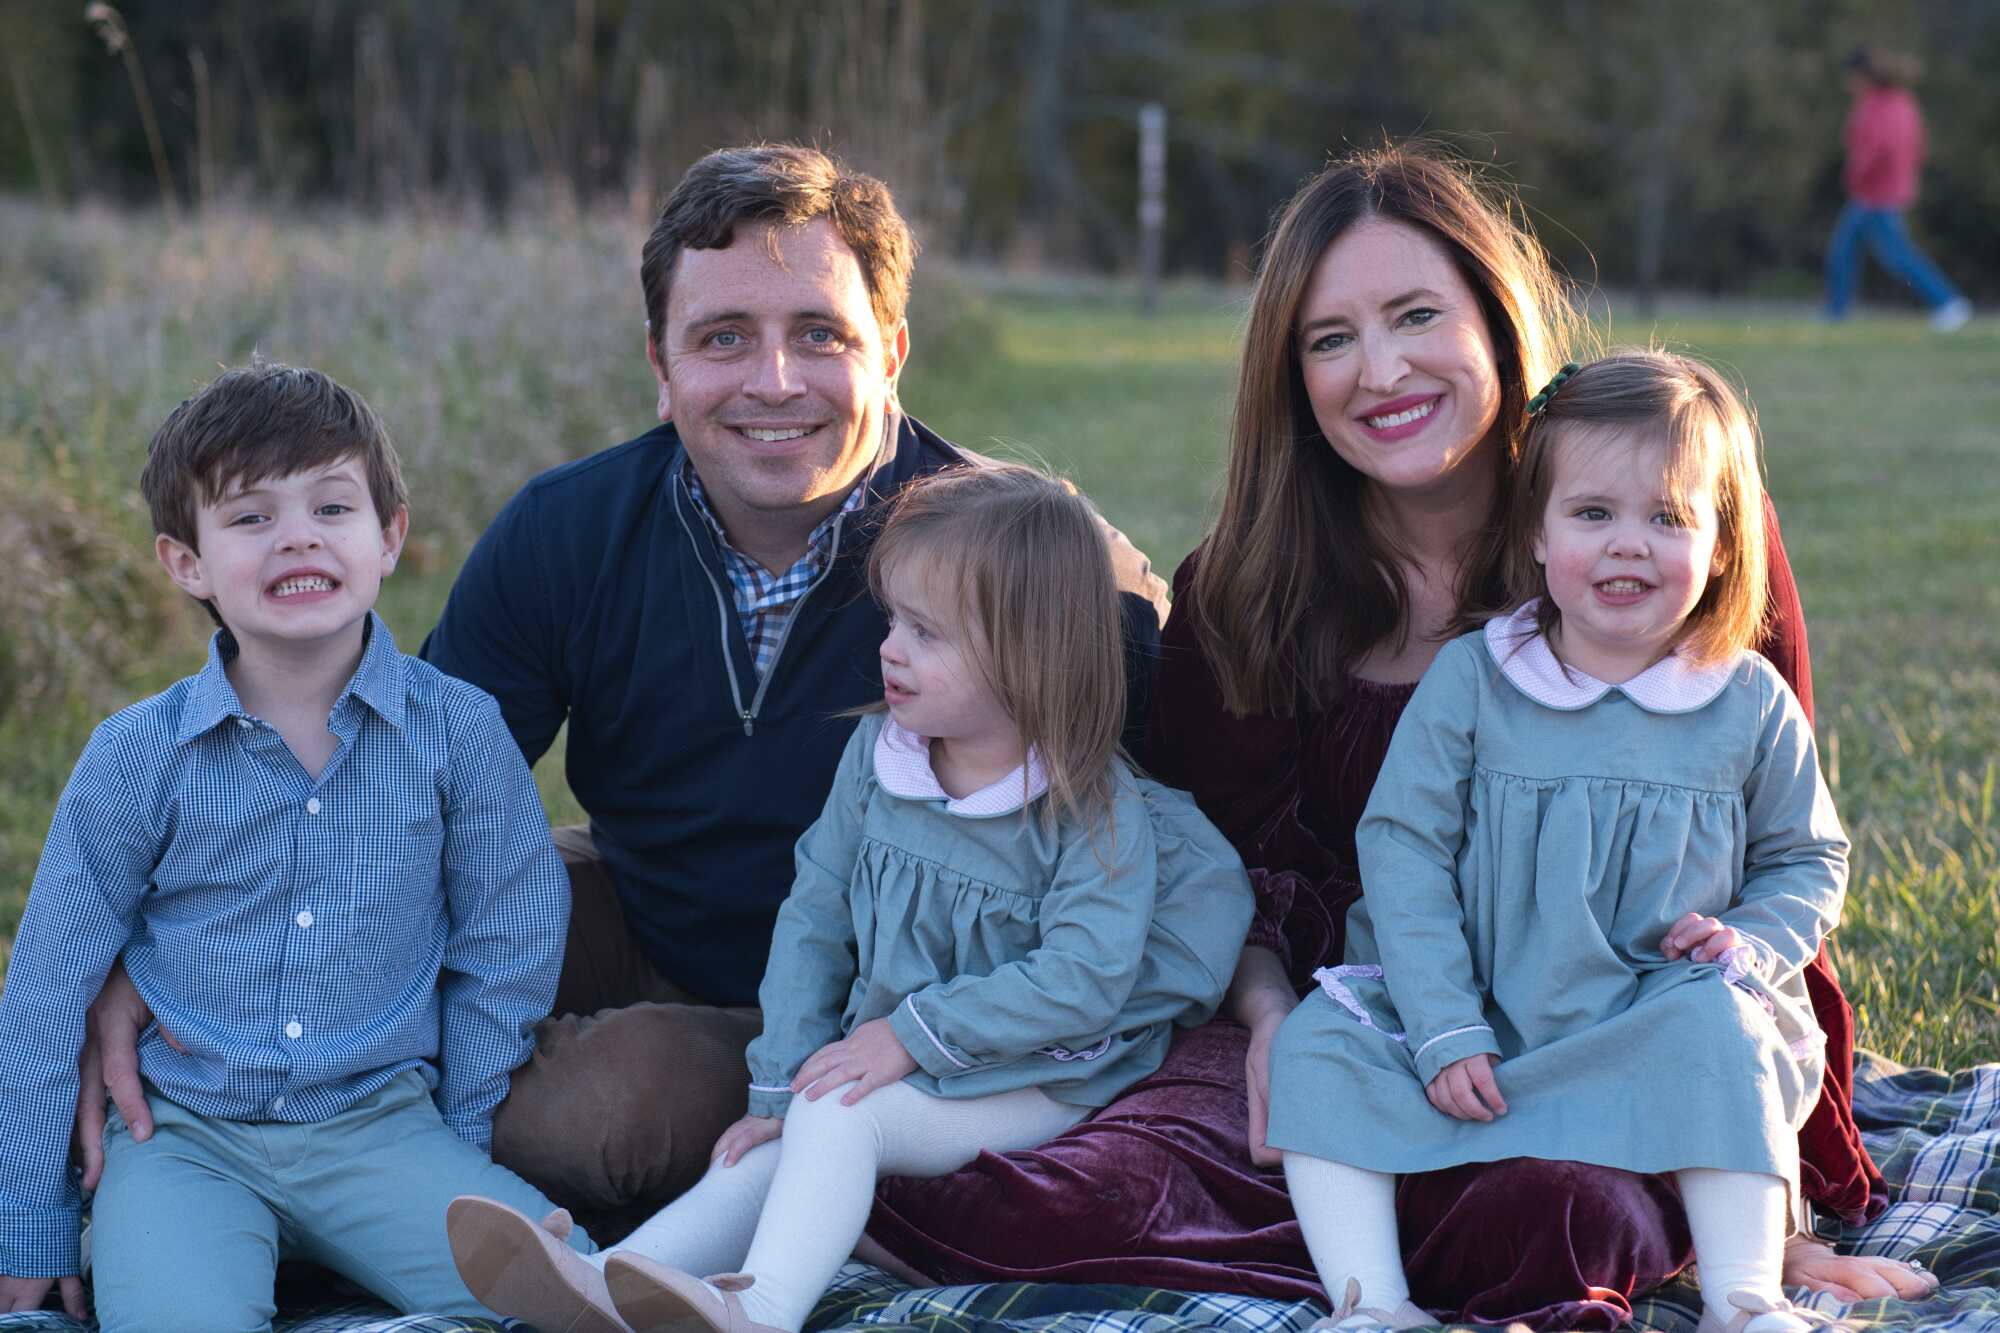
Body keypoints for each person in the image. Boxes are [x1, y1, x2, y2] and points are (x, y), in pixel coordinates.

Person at [870, 146, 1935, 1327]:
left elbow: (1771, 868)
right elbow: (1194, 864)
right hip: (1351, 1007)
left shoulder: (1668, 530)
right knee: (1055, 1190)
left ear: (1494, 318)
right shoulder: (1241, 587)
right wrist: (1272, 1019)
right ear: (1289, 373)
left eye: (1416, 313)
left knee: (1561, 1212)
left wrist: (1783, 1199)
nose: (1378, 371)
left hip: (1612, 1015)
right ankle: (1365, 1282)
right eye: (1328, 339)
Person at [70, 145, 1170, 1238]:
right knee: (391, 929)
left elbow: (1184, 802)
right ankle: (265, 1130)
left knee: (605, 1105)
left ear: (889, 346)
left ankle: (355, 1153)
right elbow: (393, 781)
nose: (772, 381)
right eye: (722, 337)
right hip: (637, 898)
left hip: (870, 1002)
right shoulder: (572, 529)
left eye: (818, 334)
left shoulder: (1021, 559)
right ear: (659, 361)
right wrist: (178, 962)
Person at [442, 464, 1253, 1333]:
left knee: (838, 1121)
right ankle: (595, 1283)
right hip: (893, 1059)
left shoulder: (1090, 810)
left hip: (1042, 1073)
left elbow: (1083, 979)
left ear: (1028, 653)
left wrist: (905, 1036)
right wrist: (775, 1084)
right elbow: (814, 918)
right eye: (894, 619)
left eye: (926, 633)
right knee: (776, 1141)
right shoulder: (881, 757)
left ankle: (761, 1311)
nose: (889, 649)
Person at [0, 363, 586, 1329]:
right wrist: (32, 1216)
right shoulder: (139, 754)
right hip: (182, 1134)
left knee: (567, 1299)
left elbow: (507, 937)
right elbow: (48, 986)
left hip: (385, 1127)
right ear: (186, 562)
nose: (299, 536)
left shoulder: (459, 733)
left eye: (331, 505)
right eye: (251, 518)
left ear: (389, 537)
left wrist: (462, 1134)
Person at [1268, 351, 1843, 1333]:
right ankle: (1371, 1301)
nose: (1628, 545)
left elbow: (1806, 857)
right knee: (1317, 1045)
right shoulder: (1475, 680)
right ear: (1533, 532)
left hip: (1647, 1012)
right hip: (1484, 1007)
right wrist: (1442, 1020)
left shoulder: (1741, 699)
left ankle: (1742, 1295)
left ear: (1719, 544)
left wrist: (1744, 939)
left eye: (1667, 517)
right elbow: (1402, 849)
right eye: (1592, 514)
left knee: (1725, 1031)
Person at [1823, 47, 1972, 330]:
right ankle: (1836, 314)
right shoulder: (1904, 102)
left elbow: (1873, 150)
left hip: (1873, 194)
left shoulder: (1874, 106)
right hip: (1889, 191)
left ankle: (1949, 303)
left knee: (1897, 256)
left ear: (1860, 76)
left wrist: (1854, 175)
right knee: (1844, 252)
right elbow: (1918, 146)